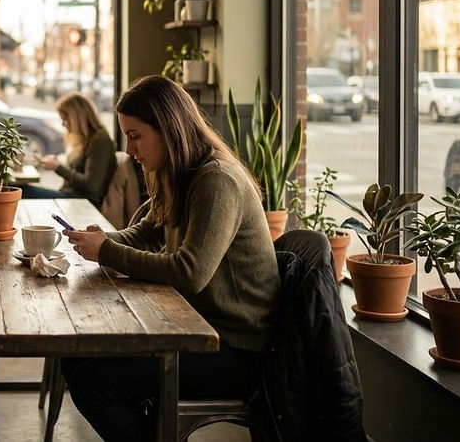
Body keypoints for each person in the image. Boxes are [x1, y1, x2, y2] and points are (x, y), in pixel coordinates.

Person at [60, 75, 281, 441]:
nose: (129, 150)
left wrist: (108, 250)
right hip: (196, 329)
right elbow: (148, 230)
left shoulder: (216, 180)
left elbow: (190, 272)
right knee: (75, 357)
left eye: (135, 136)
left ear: (168, 128)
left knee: (93, 383)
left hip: (235, 351)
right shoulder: (176, 172)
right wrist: (101, 241)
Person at [20, 92, 117, 207]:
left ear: (77, 118)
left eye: (65, 119)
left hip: (83, 201)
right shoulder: (86, 139)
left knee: (20, 190)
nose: (63, 124)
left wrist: (58, 167)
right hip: (70, 195)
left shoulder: (99, 140)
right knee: (16, 189)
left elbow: (91, 185)